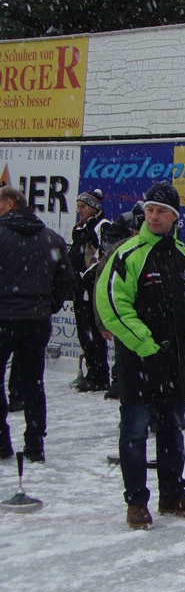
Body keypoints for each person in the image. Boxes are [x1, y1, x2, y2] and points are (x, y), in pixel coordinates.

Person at [96, 182, 185, 529]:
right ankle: (136, 503)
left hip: (176, 365)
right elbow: (113, 305)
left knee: (172, 430)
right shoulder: (128, 254)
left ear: (175, 216)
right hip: (138, 363)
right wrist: (147, 346)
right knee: (134, 432)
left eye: (161, 211)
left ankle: (173, 496)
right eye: (149, 210)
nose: (153, 216)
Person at [0, 186, 74, 463]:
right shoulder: (51, 238)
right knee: (34, 382)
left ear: (9, 204)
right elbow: (66, 280)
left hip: (4, 319)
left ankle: (1, 440)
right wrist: (46, 305)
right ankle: (35, 444)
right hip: (37, 320)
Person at [97, 201, 145, 401]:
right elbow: (101, 288)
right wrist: (103, 323)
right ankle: (121, 386)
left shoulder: (167, 250)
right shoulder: (118, 251)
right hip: (124, 319)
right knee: (126, 361)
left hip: (153, 322)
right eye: (135, 230)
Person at [69, 188, 112, 392]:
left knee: (93, 333)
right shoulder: (80, 228)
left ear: (94, 208)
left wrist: (88, 278)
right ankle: (91, 372)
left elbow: (105, 256)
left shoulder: (102, 226)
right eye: (78, 207)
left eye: (83, 207)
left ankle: (99, 375)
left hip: (92, 289)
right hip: (79, 288)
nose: (79, 211)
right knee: (84, 334)